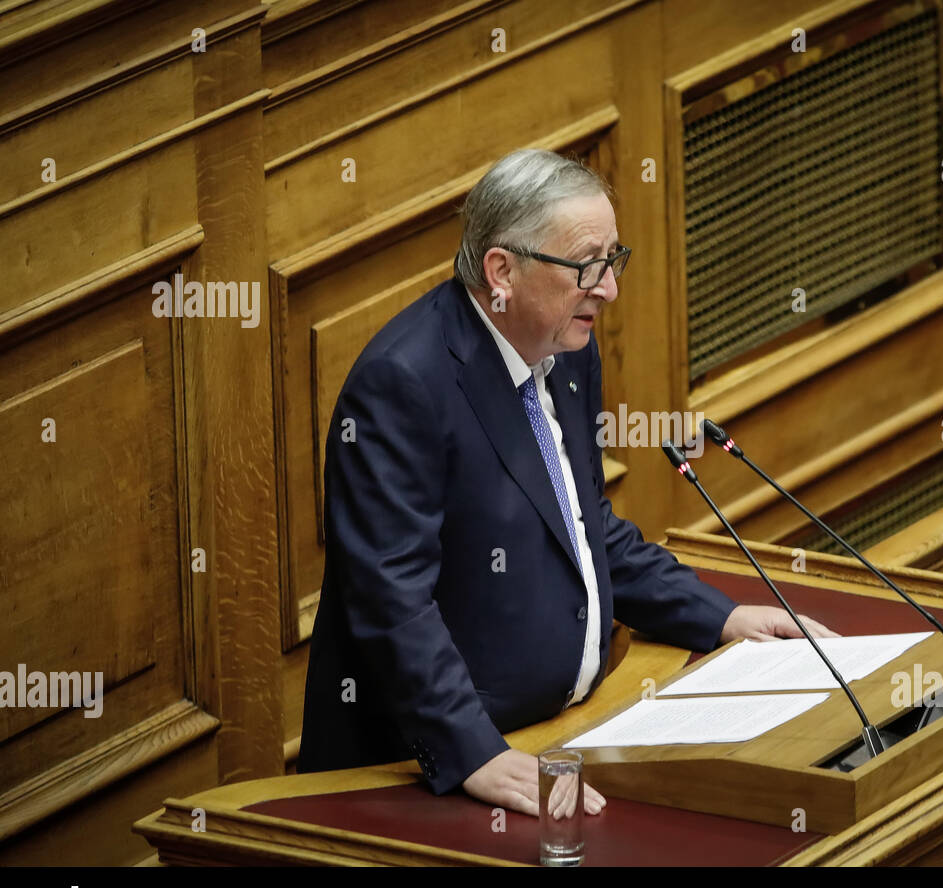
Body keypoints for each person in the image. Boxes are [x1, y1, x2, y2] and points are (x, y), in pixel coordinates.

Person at [298, 149, 837, 817]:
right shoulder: (402, 385)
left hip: (558, 739)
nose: (608, 288)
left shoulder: (564, 353)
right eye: (587, 265)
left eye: (614, 260)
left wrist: (717, 616)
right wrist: (474, 750)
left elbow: (581, 527)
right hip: (426, 768)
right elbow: (390, 596)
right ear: (502, 271)